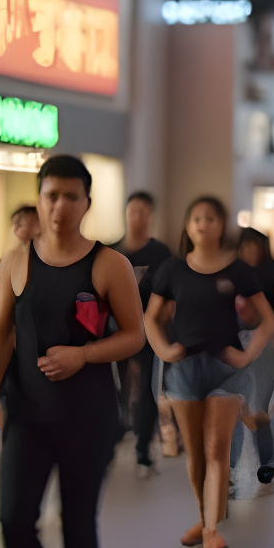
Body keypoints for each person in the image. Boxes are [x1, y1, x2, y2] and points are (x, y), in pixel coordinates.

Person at [0, 155, 146, 548]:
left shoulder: (107, 264)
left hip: (87, 419)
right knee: (12, 520)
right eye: (51, 195)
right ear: (39, 198)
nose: (59, 206)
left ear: (87, 203)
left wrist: (83, 355)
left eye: (71, 197)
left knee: (78, 524)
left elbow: (134, 336)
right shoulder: (16, 260)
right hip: (26, 414)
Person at [143, 198, 274, 548]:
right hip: (185, 369)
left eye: (211, 218)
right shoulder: (172, 269)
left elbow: (268, 319)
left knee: (217, 448)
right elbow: (150, 317)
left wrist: (247, 355)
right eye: (197, 217)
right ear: (188, 226)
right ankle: (205, 519)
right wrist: (163, 350)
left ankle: (211, 530)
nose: (203, 224)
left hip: (226, 369)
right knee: (197, 455)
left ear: (222, 226)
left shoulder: (238, 270)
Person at [112, 189, 170, 479]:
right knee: (114, 386)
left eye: (143, 212)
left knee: (146, 387)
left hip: (147, 330)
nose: (138, 217)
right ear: (126, 213)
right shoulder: (111, 251)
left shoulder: (160, 254)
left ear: (151, 216)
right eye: (133, 211)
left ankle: (143, 447)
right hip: (113, 331)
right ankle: (111, 436)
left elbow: (168, 296)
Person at [226, 228, 274, 496]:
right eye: (246, 246)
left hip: (266, 347)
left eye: (256, 246)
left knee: (259, 407)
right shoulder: (229, 273)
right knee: (235, 406)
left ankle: (266, 462)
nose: (251, 251)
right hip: (236, 344)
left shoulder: (271, 275)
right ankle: (231, 468)